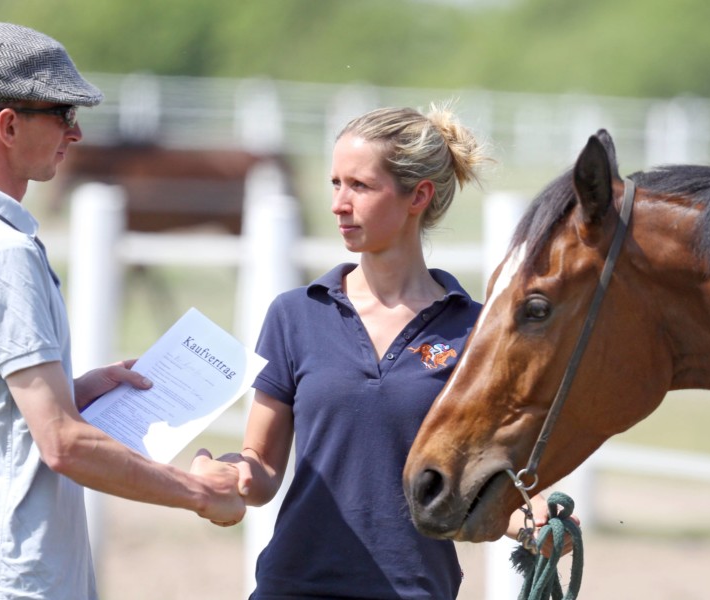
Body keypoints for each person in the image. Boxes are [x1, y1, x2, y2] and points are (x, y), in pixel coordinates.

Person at [0, 22, 246, 600]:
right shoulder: (1, 254)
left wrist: (79, 388)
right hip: (9, 578)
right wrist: (196, 491)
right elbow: (62, 443)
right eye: (61, 112)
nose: (77, 131)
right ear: (8, 125)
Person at [195, 104, 500, 598]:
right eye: (336, 183)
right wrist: (229, 476)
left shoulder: (477, 330)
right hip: (292, 586)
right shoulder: (295, 315)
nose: (339, 203)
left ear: (418, 196)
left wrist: (532, 519)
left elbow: (483, 477)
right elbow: (264, 466)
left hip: (415, 589)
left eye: (359, 186)